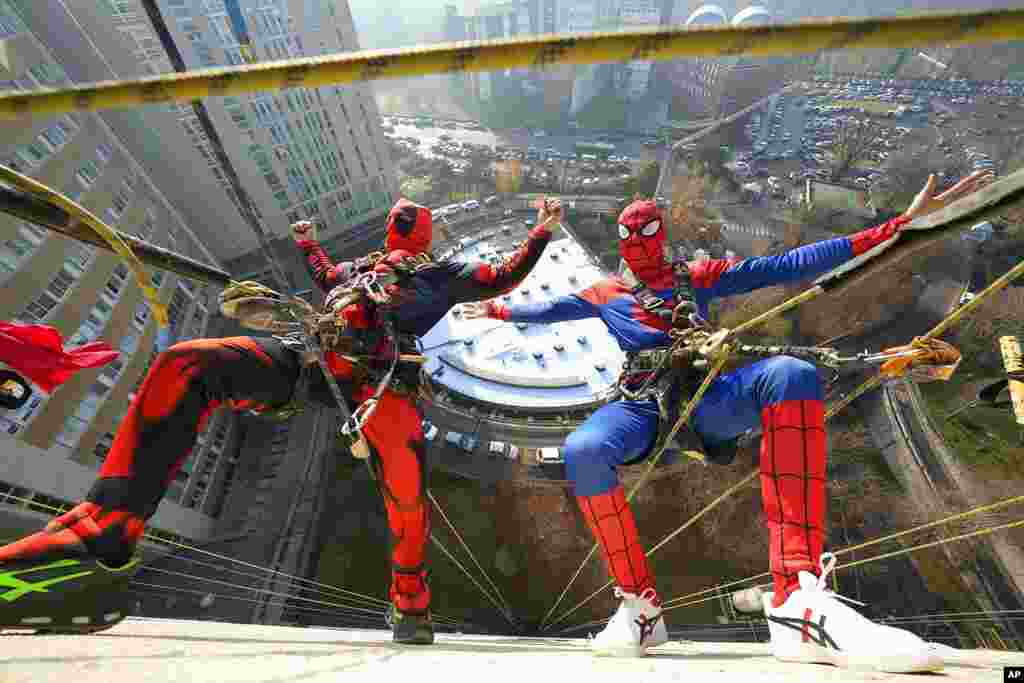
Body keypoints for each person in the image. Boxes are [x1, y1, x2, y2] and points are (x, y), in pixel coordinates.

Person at [464, 173, 988, 669]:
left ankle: (796, 595)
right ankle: (638, 608)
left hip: (704, 397)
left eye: (647, 231)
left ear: (661, 235)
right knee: (583, 450)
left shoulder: (696, 279)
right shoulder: (607, 296)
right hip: (644, 400)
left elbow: (791, 264)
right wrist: (496, 312)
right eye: (630, 233)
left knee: (791, 375)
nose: (638, 241)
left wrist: (896, 228)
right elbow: (548, 310)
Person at [0, 196, 561, 643]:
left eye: (406, 219)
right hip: (315, 361)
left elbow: (504, 276)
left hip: (381, 383)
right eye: (399, 217)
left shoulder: (439, 276)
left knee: (407, 497)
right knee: (187, 364)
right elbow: (324, 274)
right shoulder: (361, 269)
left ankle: (411, 600)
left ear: (417, 233)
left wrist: (540, 233)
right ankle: (105, 528)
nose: (400, 218)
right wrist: (308, 244)